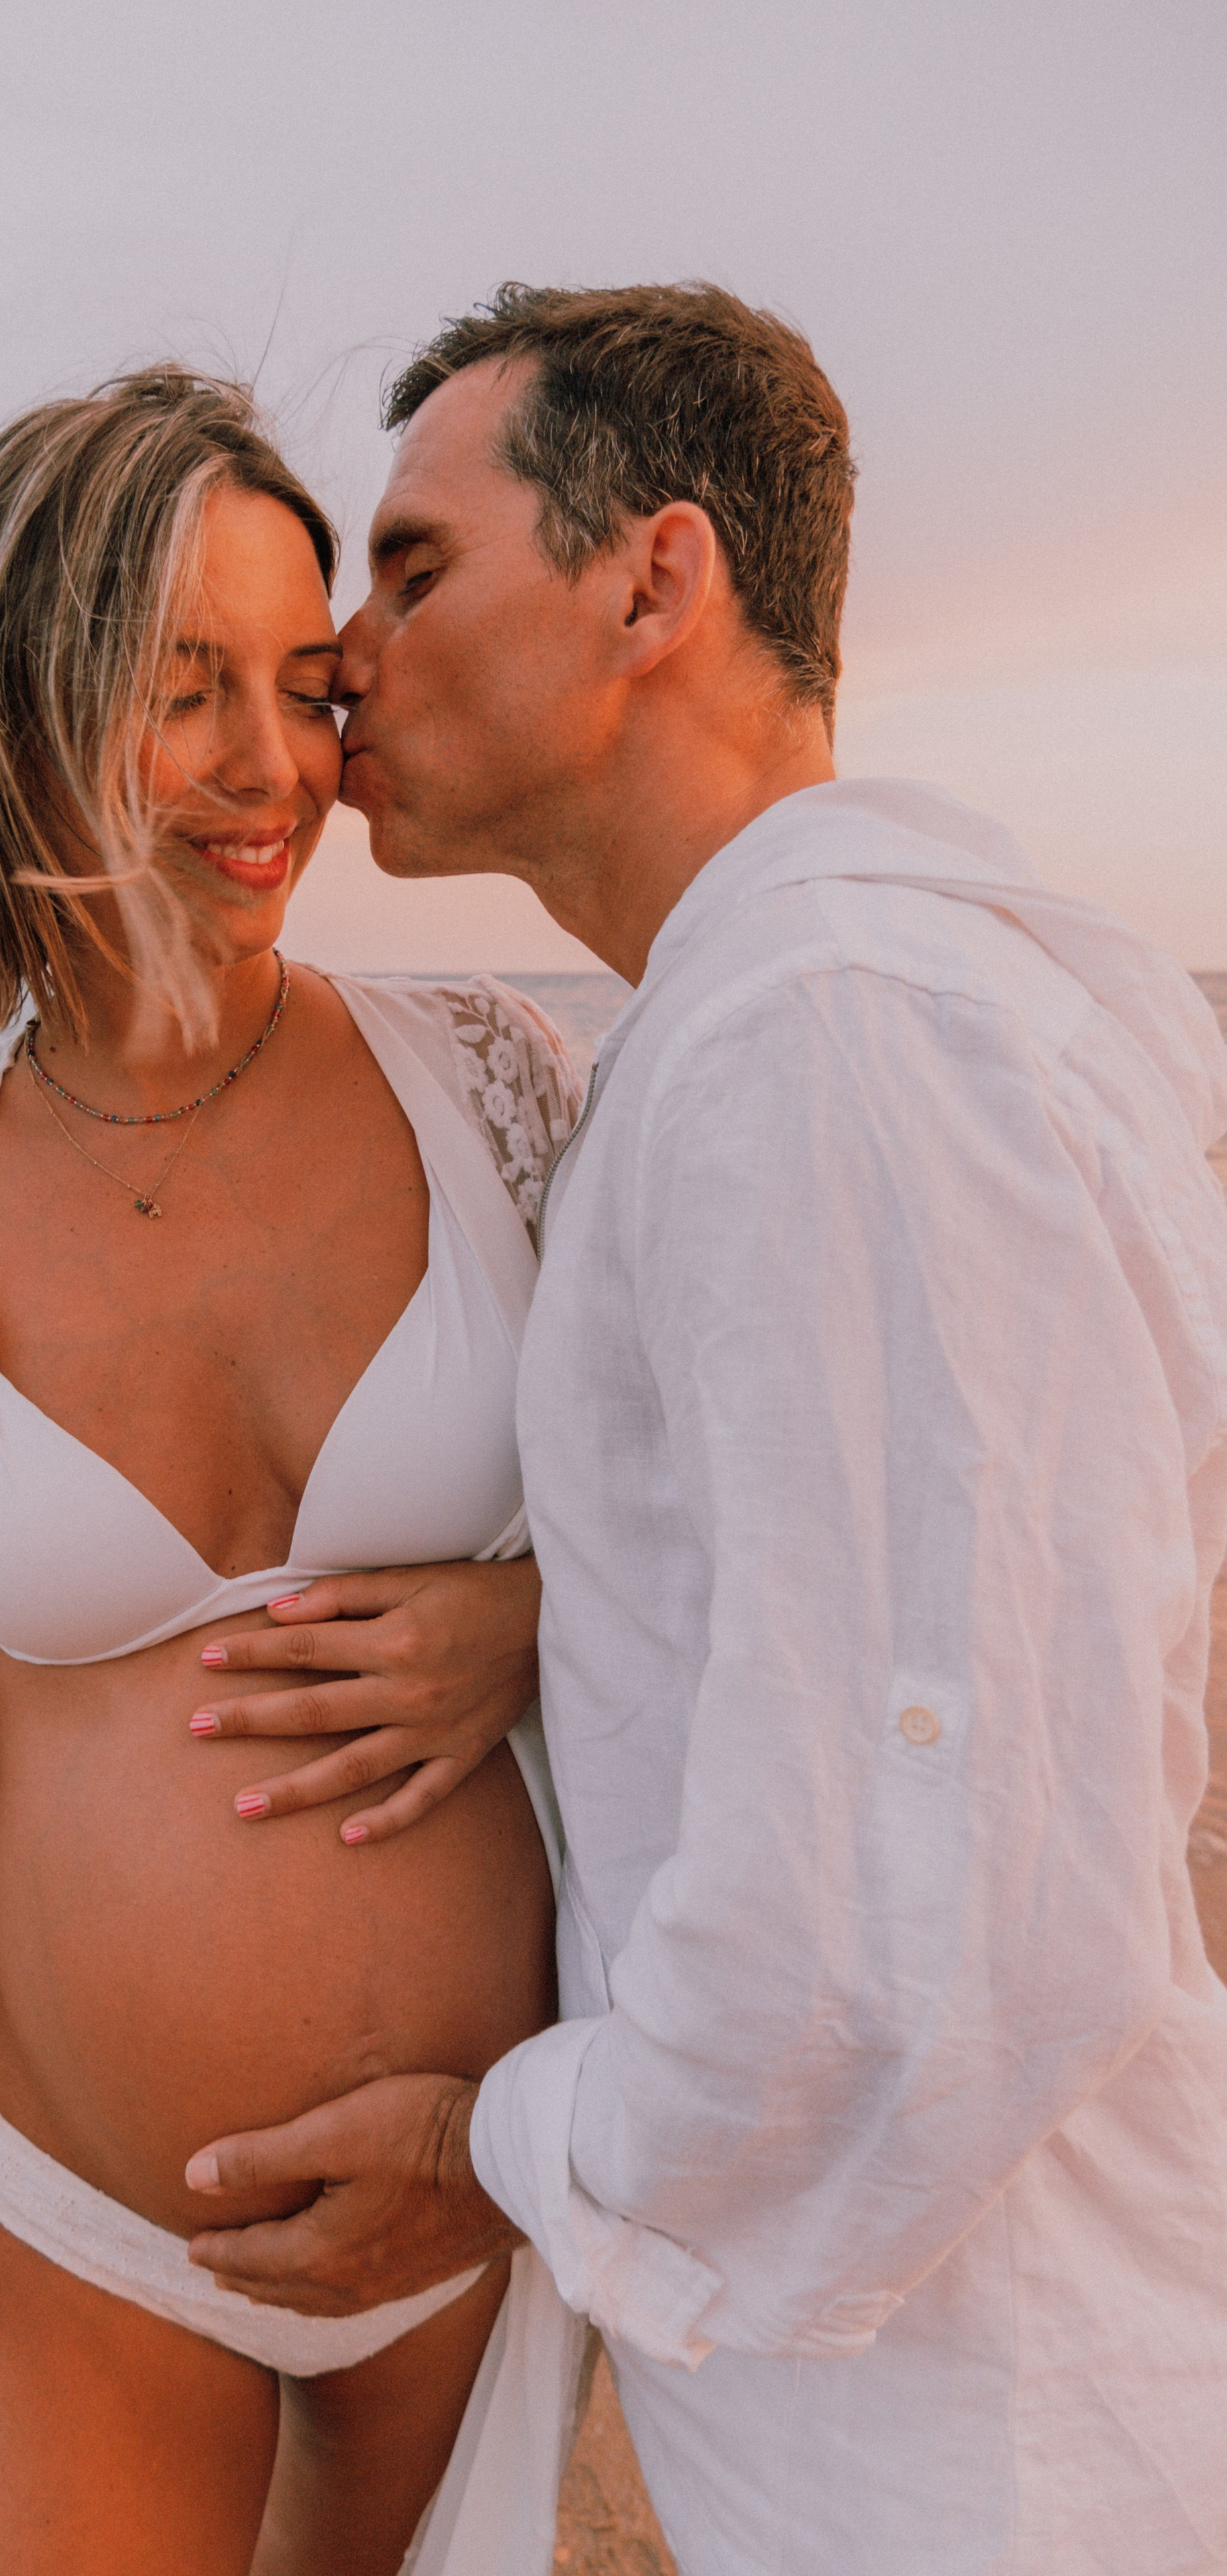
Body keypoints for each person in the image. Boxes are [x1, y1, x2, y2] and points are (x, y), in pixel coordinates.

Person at [184, 286, 1227, 2573]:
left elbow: (916, 1927)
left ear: (659, 579)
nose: (347, 656)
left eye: (417, 567)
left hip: (988, 2470)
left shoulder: (831, 1040)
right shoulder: (822, 1009)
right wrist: (549, 1620)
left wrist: (493, 2147)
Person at [0, 370, 594, 2576]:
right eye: (181, 690)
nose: (272, 768)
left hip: (476, 2199)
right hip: (77, 2233)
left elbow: (738, 1525)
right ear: (21, 705)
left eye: (305, 685)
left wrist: (539, 1616)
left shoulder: (498, 1087)